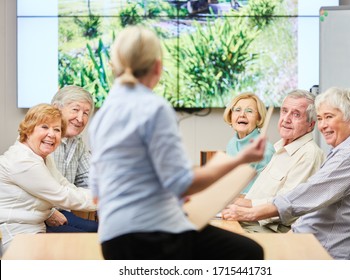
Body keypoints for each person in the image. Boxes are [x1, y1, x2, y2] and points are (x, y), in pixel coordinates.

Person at [88, 26, 267, 260]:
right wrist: (242, 159)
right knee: (250, 252)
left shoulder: (102, 114)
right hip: (153, 236)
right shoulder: (154, 107)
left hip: (112, 238)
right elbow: (183, 183)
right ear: (158, 67)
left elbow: (96, 194)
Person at [222, 87, 350, 259]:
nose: (322, 126)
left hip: (320, 252)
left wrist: (249, 212)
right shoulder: (347, 151)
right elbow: (308, 206)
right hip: (304, 240)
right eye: (320, 118)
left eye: (329, 117)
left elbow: (302, 198)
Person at [0, 104, 96, 251]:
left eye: (57, 129)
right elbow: (63, 195)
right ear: (29, 130)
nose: (52, 134)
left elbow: (65, 185)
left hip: (35, 230)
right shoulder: (23, 161)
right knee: (88, 249)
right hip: (16, 236)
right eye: (44, 127)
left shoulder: (43, 157)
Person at [227, 89, 324, 233]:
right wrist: (235, 203)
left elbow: (286, 207)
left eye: (296, 114)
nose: (286, 119)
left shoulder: (308, 155)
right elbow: (259, 196)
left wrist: (243, 206)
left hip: (266, 230)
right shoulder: (281, 148)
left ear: (311, 125)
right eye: (284, 111)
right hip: (249, 222)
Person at [45, 85, 98, 233]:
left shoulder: (77, 141)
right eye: (75, 110)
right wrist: (48, 213)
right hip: (39, 215)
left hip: (62, 211)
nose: (80, 118)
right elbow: (29, 187)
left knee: (102, 231)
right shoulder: (42, 139)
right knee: (93, 239)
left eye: (86, 113)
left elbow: (90, 178)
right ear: (56, 108)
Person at [223, 92, 275, 194]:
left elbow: (265, 193)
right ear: (230, 115)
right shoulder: (232, 144)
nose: (242, 114)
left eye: (249, 111)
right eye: (237, 110)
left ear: (259, 118)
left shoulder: (265, 150)